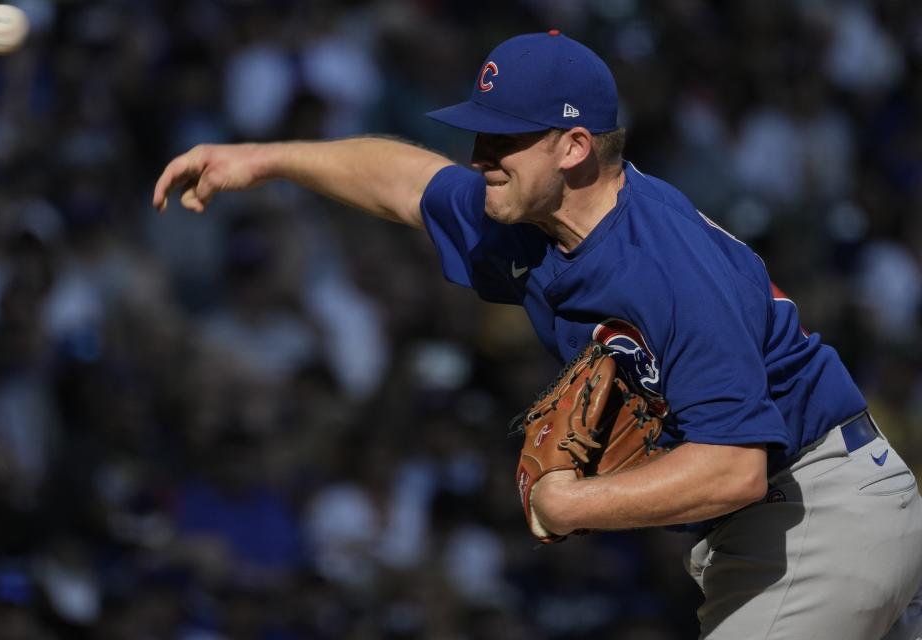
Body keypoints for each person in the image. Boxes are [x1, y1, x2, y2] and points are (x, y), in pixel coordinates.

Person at [154, 30, 922, 640]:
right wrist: (265, 159)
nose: (481, 158)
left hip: (813, 512)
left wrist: (570, 503)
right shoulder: (529, 218)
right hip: (794, 525)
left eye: (502, 140)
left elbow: (732, 469)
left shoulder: (662, 266)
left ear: (575, 146)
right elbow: (401, 180)